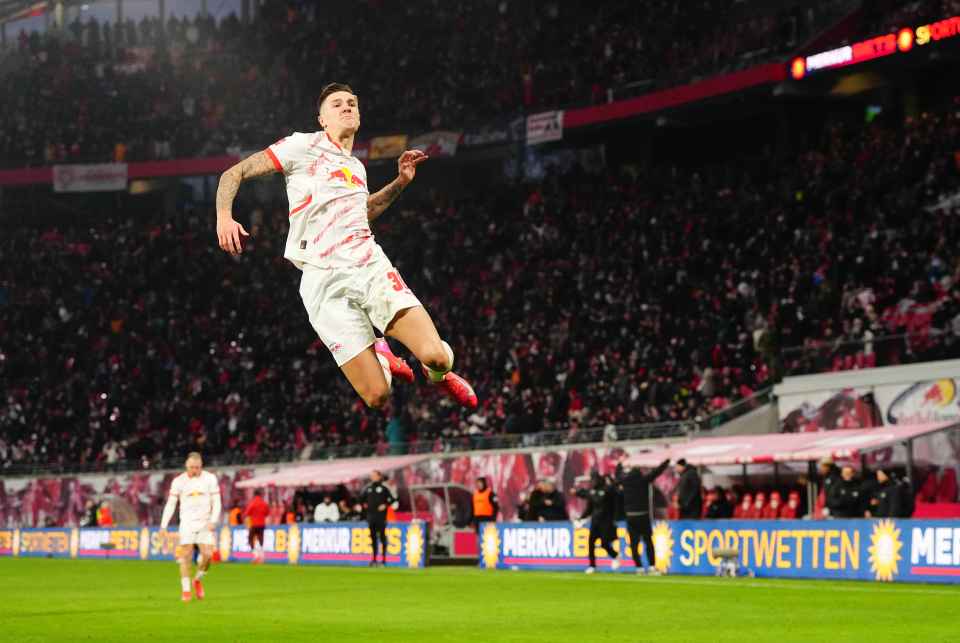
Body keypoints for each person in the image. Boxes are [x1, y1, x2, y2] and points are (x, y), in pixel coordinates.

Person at [214, 82, 477, 413]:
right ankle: (381, 350)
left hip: (369, 266)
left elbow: (362, 213)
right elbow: (233, 172)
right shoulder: (302, 146)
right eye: (337, 104)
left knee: (438, 357)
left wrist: (401, 182)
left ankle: (438, 376)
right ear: (322, 119)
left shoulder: (356, 167)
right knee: (378, 397)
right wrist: (224, 216)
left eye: (352, 102)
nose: (347, 107)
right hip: (322, 281)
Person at [160, 452, 222, 602]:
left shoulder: (210, 478)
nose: (195, 470)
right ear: (186, 466)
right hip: (187, 523)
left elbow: (217, 501)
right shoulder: (178, 481)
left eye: (198, 467)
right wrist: (163, 525)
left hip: (204, 523)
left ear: (201, 466)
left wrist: (213, 520)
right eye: (192, 467)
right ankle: (186, 591)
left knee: (207, 555)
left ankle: (197, 579)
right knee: (185, 556)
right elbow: (171, 504)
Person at [616, 456, 670, 574]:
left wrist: (619, 463)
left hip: (630, 516)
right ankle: (651, 566)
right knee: (648, 542)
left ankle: (639, 567)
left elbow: (617, 475)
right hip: (643, 515)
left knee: (634, 544)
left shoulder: (625, 482)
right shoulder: (643, 481)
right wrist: (666, 461)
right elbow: (656, 472)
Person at [572, 472, 621, 574]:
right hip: (595, 521)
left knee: (604, 543)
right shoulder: (592, 492)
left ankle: (615, 555)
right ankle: (592, 565)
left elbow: (615, 493)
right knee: (591, 543)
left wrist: (612, 481)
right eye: (592, 480)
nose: (593, 482)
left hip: (606, 521)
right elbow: (589, 507)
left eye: (595, 479)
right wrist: (581, 518)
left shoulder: (607, 490)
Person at [360, 470, 397, 566]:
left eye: (374, 475)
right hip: (371, 516)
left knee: (382, 537)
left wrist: (385, 504)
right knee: (372, 538)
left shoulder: (384, 488)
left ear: (379, 476)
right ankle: (374, 559)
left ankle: (384, 559)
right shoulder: (368, 488)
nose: (372, 477)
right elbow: (360, 499)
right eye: (371, 475)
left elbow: (393, 499)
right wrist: (363, 505)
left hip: (381, 517)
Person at [242, 489, 270, 564]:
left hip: (254, 524)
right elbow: (267, 513)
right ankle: (262, 556)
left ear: (254, 494)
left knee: (250, 539)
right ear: (260, 494)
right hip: (262, 525)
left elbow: (247, 513)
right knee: (261, 540)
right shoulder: (264, 503)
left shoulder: (253, 503)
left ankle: (256, 555)